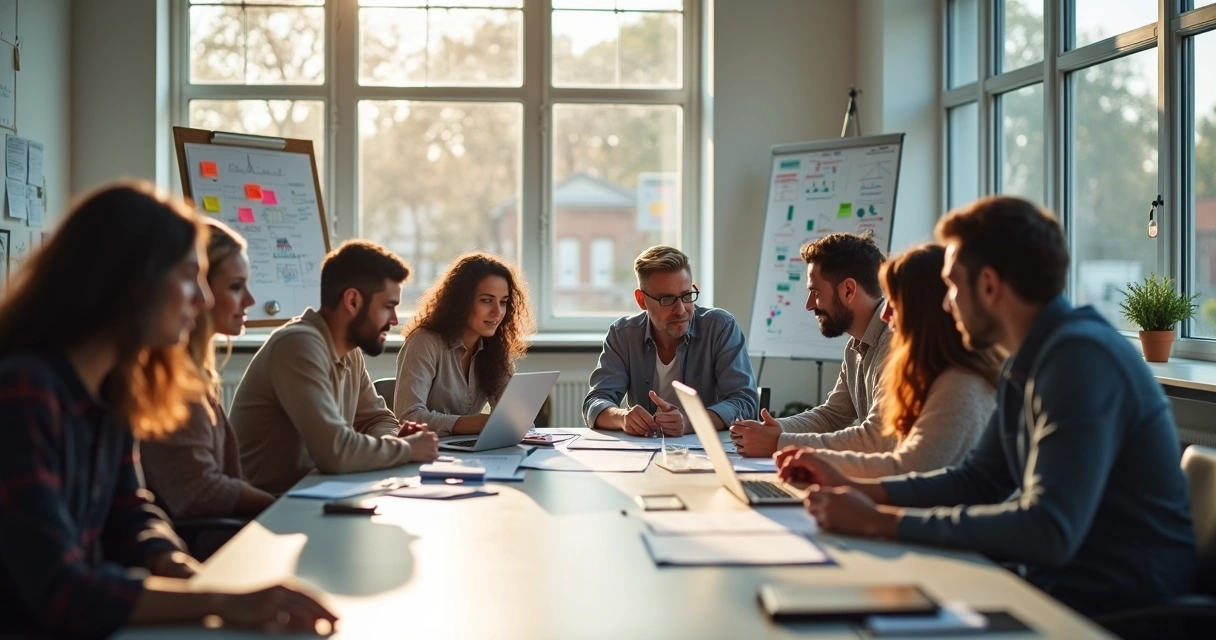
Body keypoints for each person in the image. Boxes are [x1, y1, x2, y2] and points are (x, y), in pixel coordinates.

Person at [777, 196, 1196, 615]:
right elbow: (977, 481)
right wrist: (852, 489)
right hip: (1057, 584)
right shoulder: (1029, 358)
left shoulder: (1078, 359)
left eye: (954, 286)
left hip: (1115, 606)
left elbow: (1048, 530)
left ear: (990, 286)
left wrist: (879, 520)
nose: (945, 303)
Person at [0, 183, 336, 636]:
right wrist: (216, 600)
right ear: (127, 281)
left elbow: (130, 514)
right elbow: (60, 589)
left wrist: (181, 570)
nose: (204, 299)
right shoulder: (23, 389)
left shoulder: (113, 388)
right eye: (186, 276)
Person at [768, 244, 1001, 478]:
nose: (885, 313)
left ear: (924, 309)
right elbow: (912, 471)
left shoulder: (957, 384)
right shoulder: (930, 370)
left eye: (894, 301)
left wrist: (787, 446)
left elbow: (903, 465)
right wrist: (783, 439)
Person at [231, 240, 439, 495]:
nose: (394, 321)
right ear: (352, 301)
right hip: (266, 511)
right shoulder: (298, 345)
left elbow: (377, 418)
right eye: (388, 307)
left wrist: (395, 440)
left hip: (316, 495)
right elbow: (335, 452)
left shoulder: (349, 352)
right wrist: (407, 449)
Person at [141, 219, 276, 520]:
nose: (251, 300)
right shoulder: (170, 378)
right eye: (235, 286)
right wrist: (278, 508)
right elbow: (199, 489)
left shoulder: (195, 370)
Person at [732, 232, 893, 458]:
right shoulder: (855, 345)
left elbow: (878, 438)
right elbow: (831, 416)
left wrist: (780, 442)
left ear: (848, 290)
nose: (809, 305)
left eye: (815, 292)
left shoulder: (896, 342)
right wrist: (773, 430)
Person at [583, 246, 757, 436]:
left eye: (687, 295)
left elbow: (744, 402)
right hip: (643, 451)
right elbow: (596, 401)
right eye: (667, 299)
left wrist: (690, 422)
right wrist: (622, 418)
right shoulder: (623, 334)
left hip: (706, 450)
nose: (681, 310)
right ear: (641, 300)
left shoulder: (720, 327)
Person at [393, 252, 535, 436]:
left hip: (470, 453)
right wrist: (472, 423)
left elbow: (513, 417)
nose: (497, 312)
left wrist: (521, 423)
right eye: (486, 300)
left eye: (503, 302)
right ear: (461, 302)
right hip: (427, 452)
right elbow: (408, 416)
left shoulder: (495, 348)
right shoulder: (424, 342)